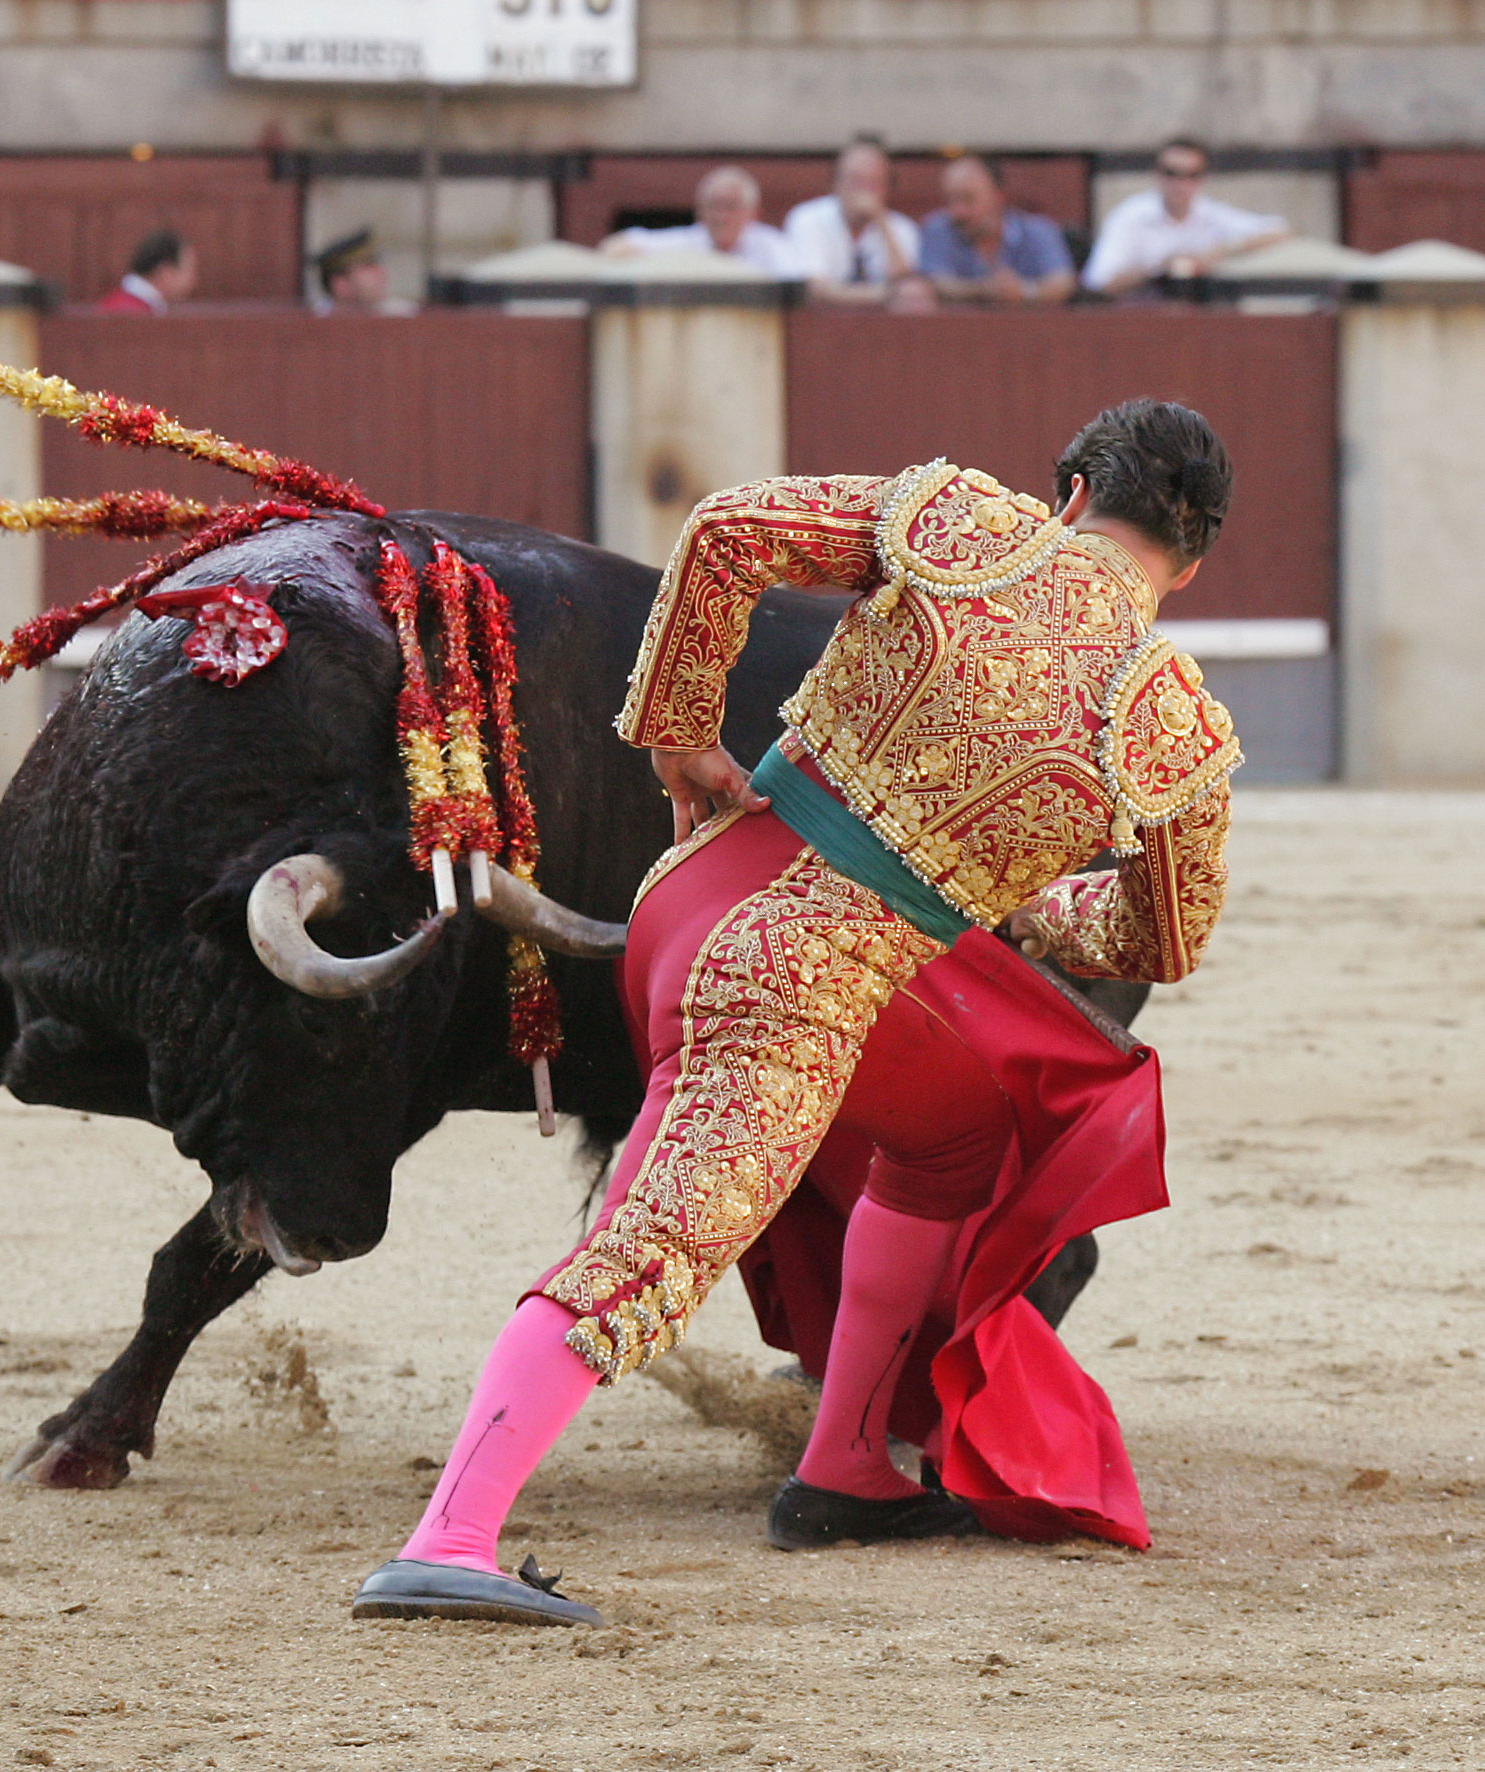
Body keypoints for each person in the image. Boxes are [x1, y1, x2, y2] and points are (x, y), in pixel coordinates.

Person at [353, 399, 1242, 1625]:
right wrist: (1034, 910)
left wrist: (679, 742)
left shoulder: (965, 524)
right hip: (794, 980)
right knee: (647, 1254)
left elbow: (722, 534)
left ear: (1072, 494)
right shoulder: (1168, 724)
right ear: (1188, 564)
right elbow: (1163, 938)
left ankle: (844, 1467)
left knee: (954, 1129)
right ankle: (447, 1536)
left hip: (696, 895)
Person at [1082, 139, 1290, 296]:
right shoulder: (1130, 216)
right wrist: (1158, 270)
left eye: (1192, 175)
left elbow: (1279, 229)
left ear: (1202, 179)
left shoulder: (1210, 213)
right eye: (1172, 173)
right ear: (1157, 174)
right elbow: (1098, 283)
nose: (1181, 185)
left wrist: (1220, 252)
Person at [782, 138, 924, 306]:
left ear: (888, 187)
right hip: (824, 323)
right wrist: (883, 296)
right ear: (836, 183)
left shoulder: (902, 228)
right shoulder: (807, 219)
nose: (863, 191)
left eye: (873, 183)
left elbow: (906, 287)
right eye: (855, 181)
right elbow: (814, 289)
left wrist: (881, 223)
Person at [917, 155, 1075, 305]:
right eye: (949, 200)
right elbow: (933, 283)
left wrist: (1025, 291)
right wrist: (984, 290)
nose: (957, 211)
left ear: (997, 197)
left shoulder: (1037, 231)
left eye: (968, 199)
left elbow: (1062, 282)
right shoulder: (938, 229)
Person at [602, 165, 799, 277]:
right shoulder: (689, 241)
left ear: (752, 213)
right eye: (713, 206)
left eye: (731, 206)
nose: (721, 216)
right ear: (700, 212)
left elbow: (802, 280)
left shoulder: (771, 245)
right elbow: (615, 247)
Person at [312, 229, 417, 316]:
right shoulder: (313, 322)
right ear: (341, 284)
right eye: (369, 266)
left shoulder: (401, 315)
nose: (381, 271)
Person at [96, 230, 197, 314]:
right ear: (165, 273)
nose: (193, 280)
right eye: (188, 270)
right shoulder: (128, 312)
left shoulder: (129, 306)